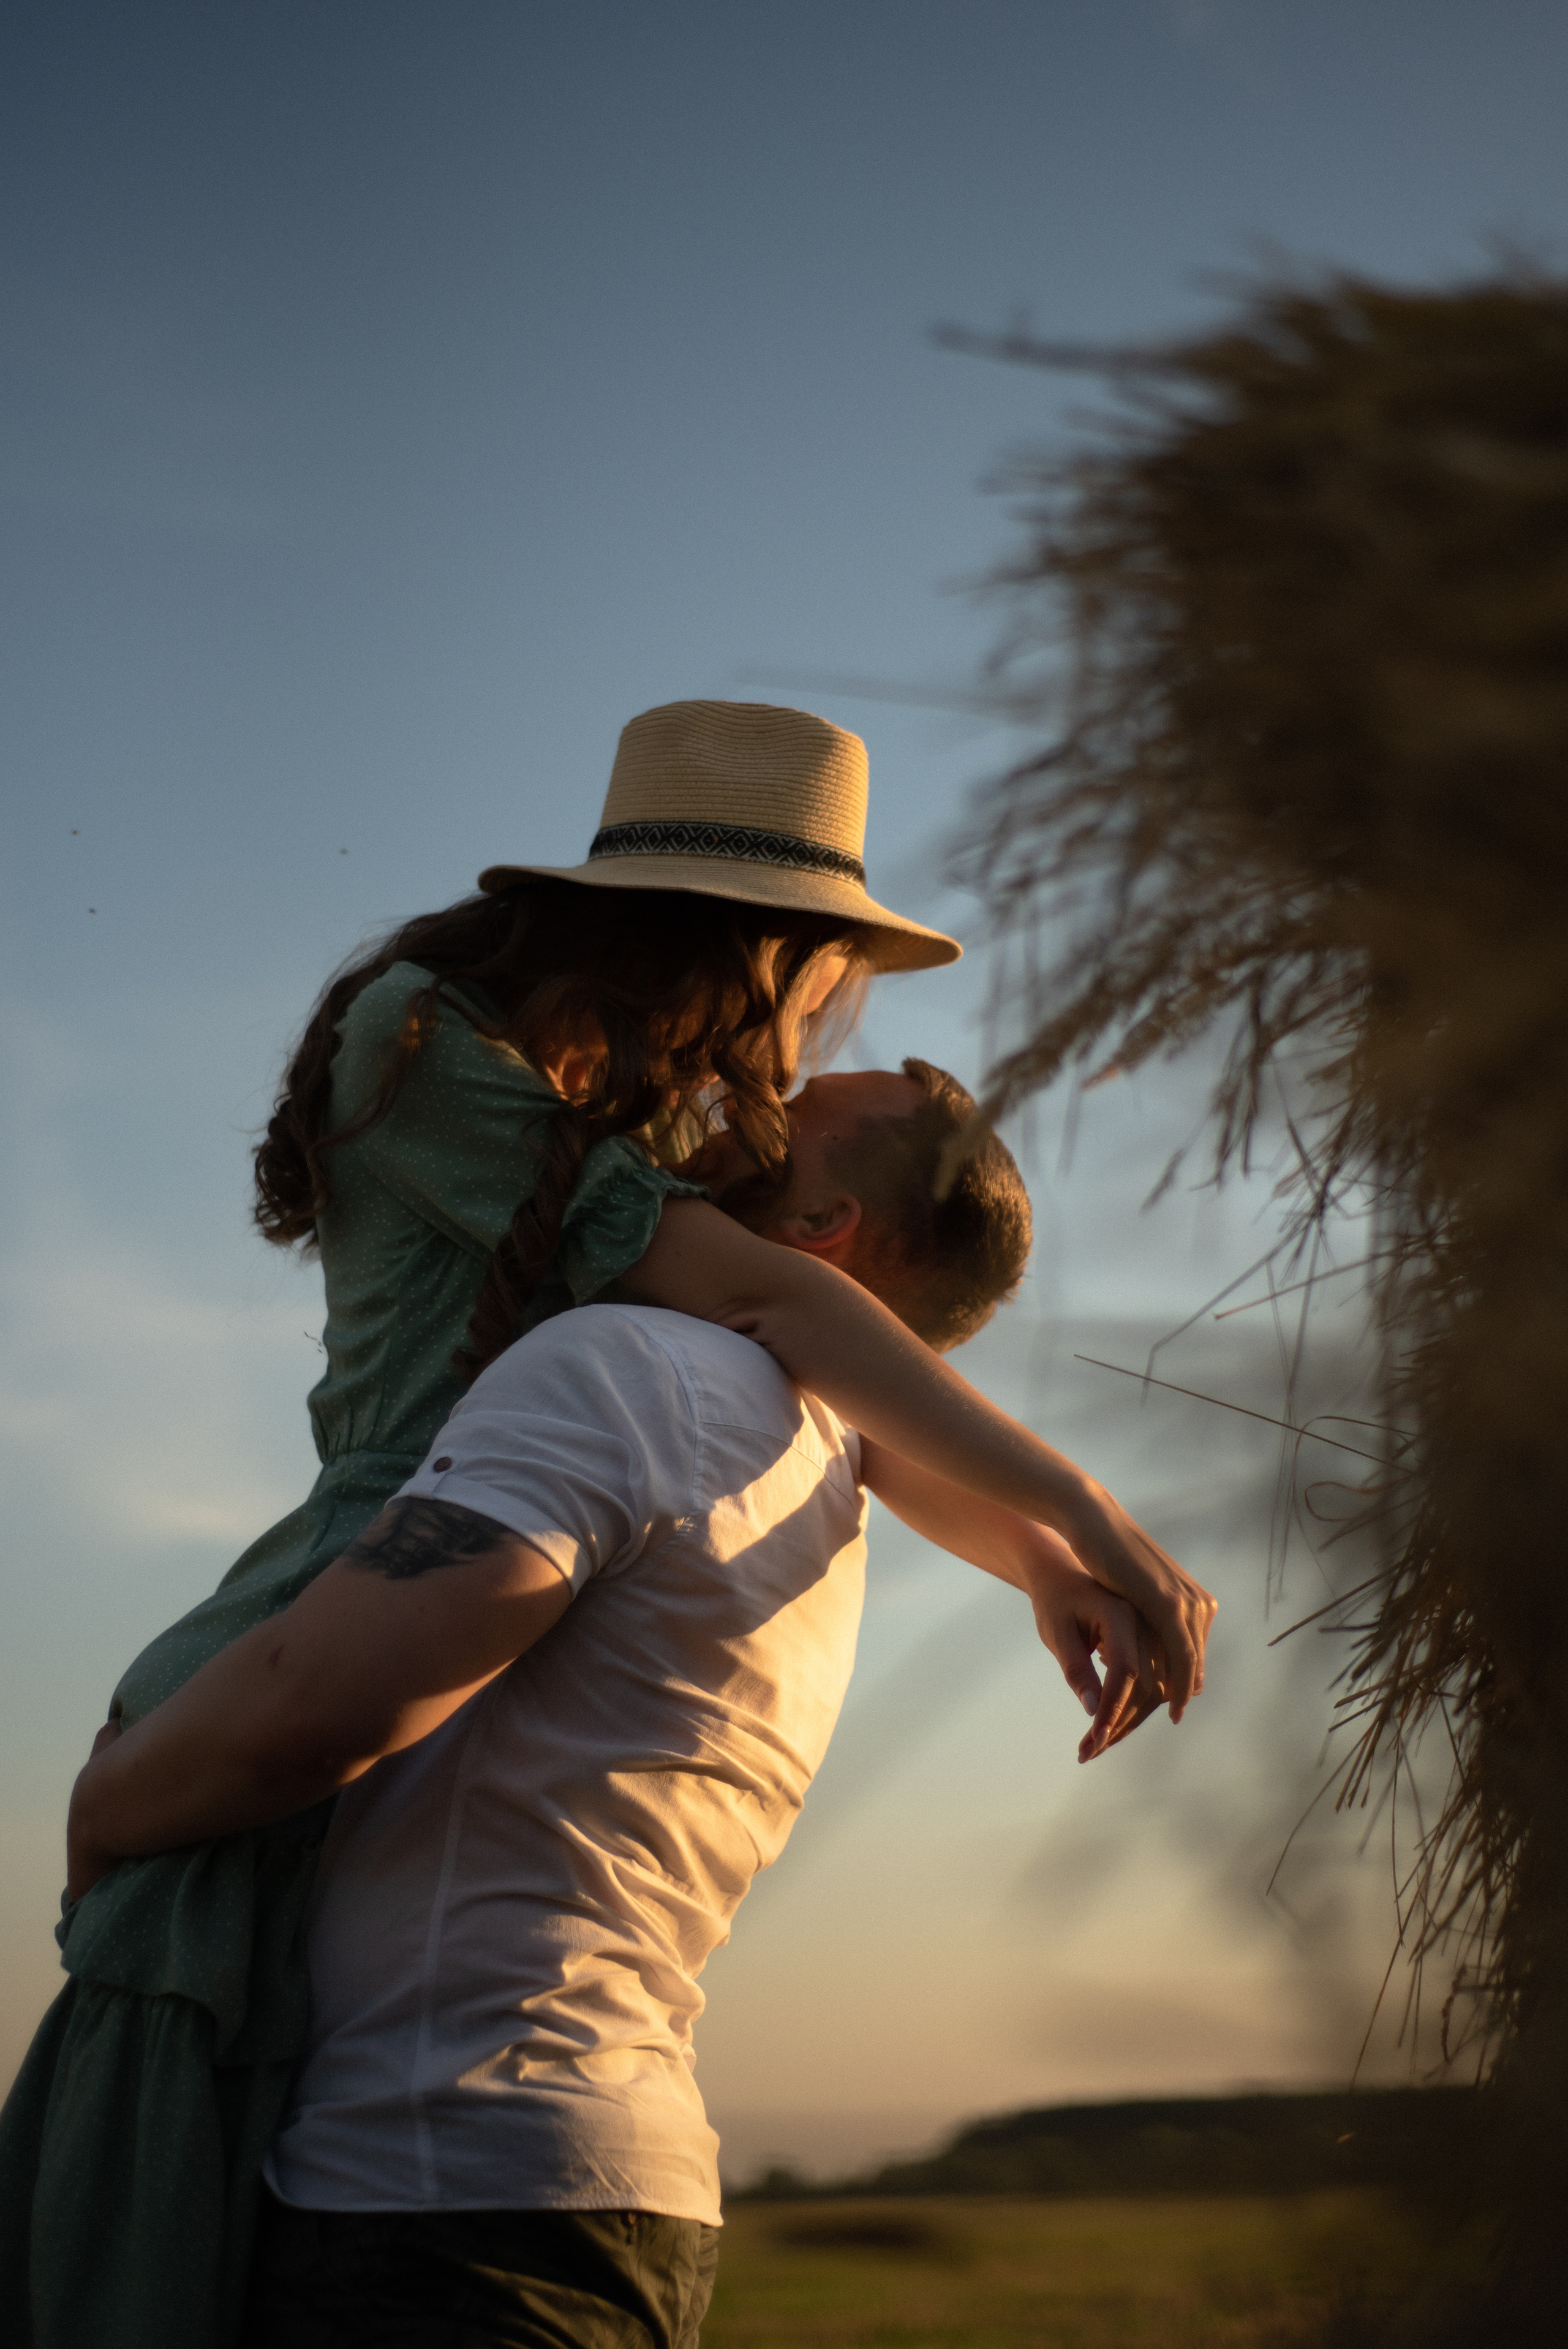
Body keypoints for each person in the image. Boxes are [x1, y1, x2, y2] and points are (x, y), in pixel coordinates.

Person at [1, 700, 1213, 2349]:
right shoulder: (435, 1050)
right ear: (749, 944)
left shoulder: (656, 1269)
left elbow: (814, 1357)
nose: (804, 1040)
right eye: (819, 975)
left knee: (189, 2172)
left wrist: (1051, 1551)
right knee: (150, 2160)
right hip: (321, 1601)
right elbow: (794, 1319)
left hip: (381, 1716)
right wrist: (1076, 1515)